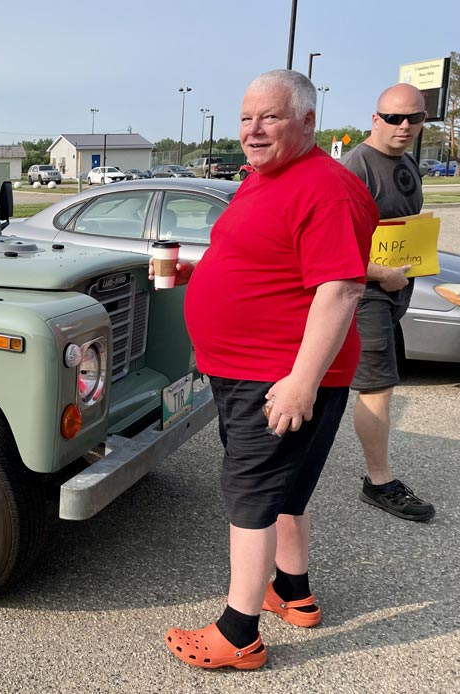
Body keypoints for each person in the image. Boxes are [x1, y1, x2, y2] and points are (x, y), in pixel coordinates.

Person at [160, 70, 378, 670]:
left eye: (271, 118)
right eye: (246, 119)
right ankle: (293, 590)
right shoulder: (265, 179)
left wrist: (301, 383)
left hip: (277, 379)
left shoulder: (325, 189)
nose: (253, 131)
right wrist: (198, 278)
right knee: (285, 492)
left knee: (250, 498)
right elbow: (262, 259)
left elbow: (339, 289)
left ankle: (238, 634)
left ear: (308, 122)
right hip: (253, 372)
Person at [340, 84, 436, 522]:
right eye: (394, 118)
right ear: (374, 118)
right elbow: (335, 248)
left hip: (396, 289)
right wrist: (383, 274)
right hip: (367, 293)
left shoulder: (407, 162)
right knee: (378, 386)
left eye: (413, 118)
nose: (404, 126)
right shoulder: (356, 168)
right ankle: (379, 482)